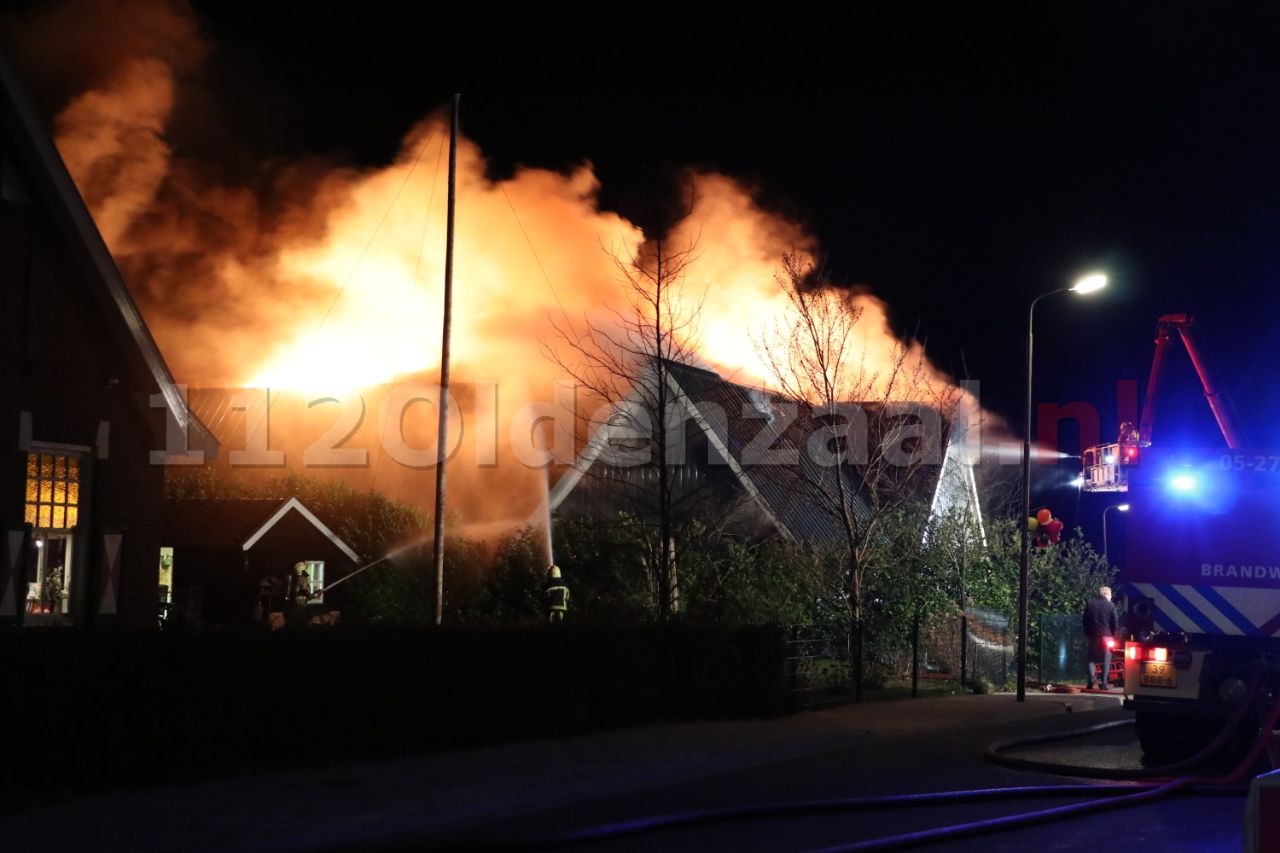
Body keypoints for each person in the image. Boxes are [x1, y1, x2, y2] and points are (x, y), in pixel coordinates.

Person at [1083, 585, 1120, 689]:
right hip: (1107, 637)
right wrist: (1114, 636)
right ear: (1106, 594)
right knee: (1106, 660)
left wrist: (1087, 633)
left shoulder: (1090, 604)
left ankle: (1090, 681)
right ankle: (1103, 683)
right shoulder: (1111, 605)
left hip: (1093, 636)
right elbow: (1115, 622)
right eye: (1110, 595)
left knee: (1091, 659)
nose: (1111, 597)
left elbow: (1085, 621)